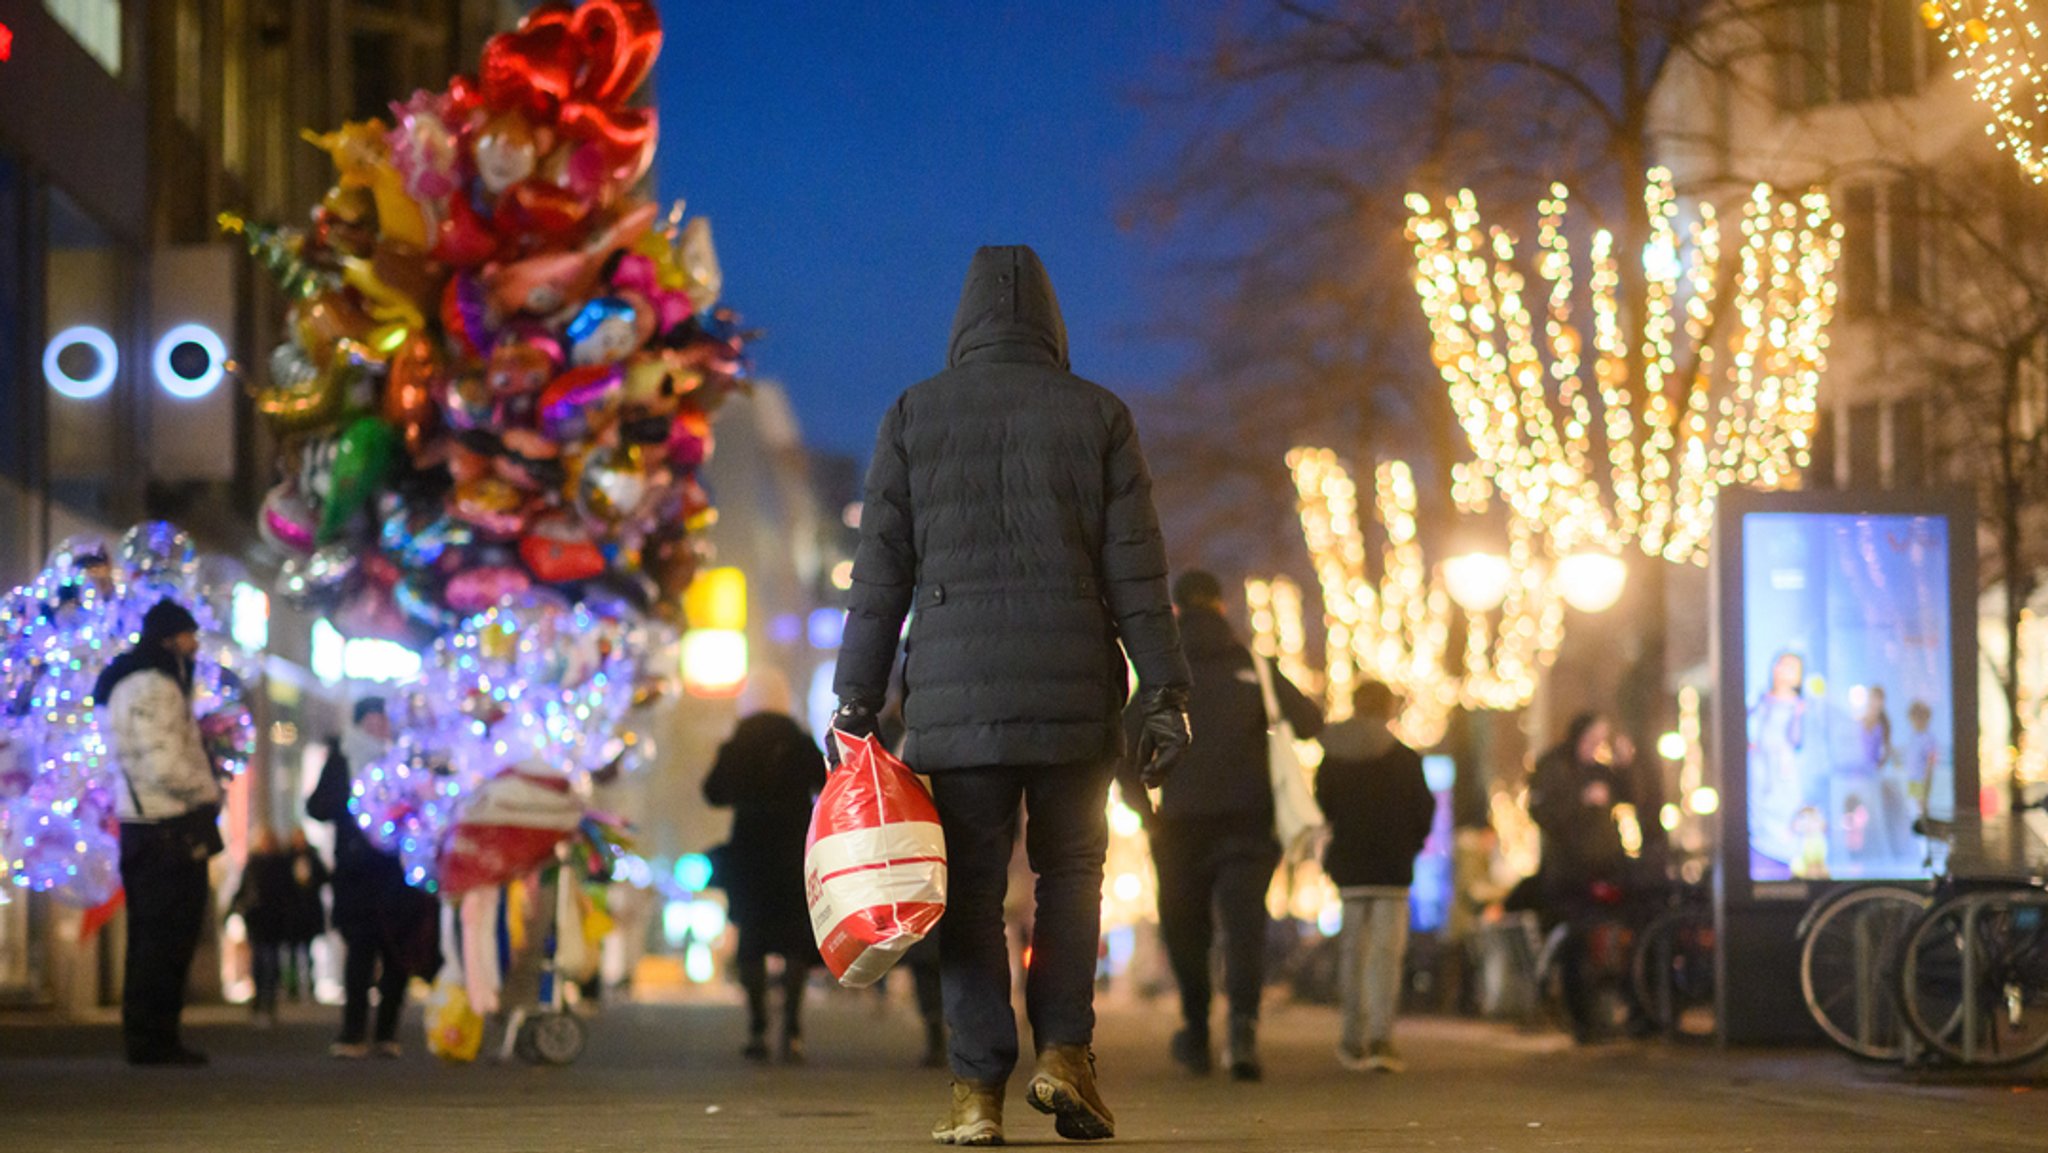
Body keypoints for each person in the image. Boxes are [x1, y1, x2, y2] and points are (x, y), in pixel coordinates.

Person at [830, 244, 1191, 1146]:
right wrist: (1165, 689)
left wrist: (855, 696)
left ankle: (975, 1093)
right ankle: (1066, 1054)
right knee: (1072, 878)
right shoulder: (1099, 414)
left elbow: (881, 576)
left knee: (974, 895)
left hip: (955, 710)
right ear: (1053, 323)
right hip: (1075, 695)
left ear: (963, 322)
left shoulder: (914, 414)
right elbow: (1138, 572)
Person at [1117, 569, 1321, 1082]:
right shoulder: (1255, 665)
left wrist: (1146, 812)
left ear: (1178, 612)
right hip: (1250, 822)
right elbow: (1312, 722)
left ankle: (1194, 1030)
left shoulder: (1159, 675)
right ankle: (1243, 1032)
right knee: (1244, 926)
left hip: (1179, 825)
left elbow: (1123, 748)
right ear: (1223, 608)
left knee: (1187, 931)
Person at [95, 598, 223, 1066]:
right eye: (190, 635)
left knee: (150, 936)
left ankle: (150, 1036)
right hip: (164, 825)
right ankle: (154, 1038)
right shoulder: (154, 685)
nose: (195, 645)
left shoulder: (132, 682)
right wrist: (206, 792)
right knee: (167, 937)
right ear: (170, 637)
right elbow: (164, 762)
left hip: (141, 823)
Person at [1314, 682, 1435, 1073]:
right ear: (1388, 710)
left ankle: (1352, 1039)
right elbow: (1424, 811)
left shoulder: (1333, 757)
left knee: (1352, 953)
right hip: (1392, 871)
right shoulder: (1405, 759)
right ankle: (1382, 1038)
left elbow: (1324, 808)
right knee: (1386, 955)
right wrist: (1409, 846)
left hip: (1350, 870)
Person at [702, 693, 827, 1064]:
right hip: (794, 850)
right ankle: (792, 1028)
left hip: (750, 851)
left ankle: (757, 1027)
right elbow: (824, 782)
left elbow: (713, 793)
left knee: (752, 940)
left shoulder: (737, 743)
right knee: (795, 942)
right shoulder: (800, 741)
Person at [308, 698, 432, 1058]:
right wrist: (354, 801)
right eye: (373, 720)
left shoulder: (407, 760)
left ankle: (387, 1033)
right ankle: (352, 1032)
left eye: (384, 720)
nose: (380, 727)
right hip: (357, 872)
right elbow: (316, 807)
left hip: (398, 870)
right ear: (359, 723)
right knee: (359, 954)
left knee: (397, 954)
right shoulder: (343, 758)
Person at [1526, 712, 1649, 1042]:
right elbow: (1542, 812)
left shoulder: (1599, 769)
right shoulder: (1554, 766)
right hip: (1570, 870)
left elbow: (1633, 799)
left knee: (1623, 932)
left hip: (1606, 864)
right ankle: (1583, 1020)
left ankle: (1630, 1010)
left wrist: (1625, 766)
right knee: (1576, 944)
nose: (1599, 745)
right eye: (1595, 738)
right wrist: (1580, 802)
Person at [231, 827, 293, 1026]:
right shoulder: (255, 863)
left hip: (273, 919)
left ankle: (269, 1001)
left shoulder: (280, 863)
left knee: (271, 959)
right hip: (258, 919)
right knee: (259, 959)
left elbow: (288, 892)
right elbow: (244, 888)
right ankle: (260, 999)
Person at [281, 827, 330, 1001]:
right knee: (293, 953)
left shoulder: (312, 856)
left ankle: (309, 984)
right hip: (292, 913)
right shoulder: (286, 858)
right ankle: (292, 987)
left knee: (308, 953)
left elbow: (324, 877)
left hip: (308, 912)